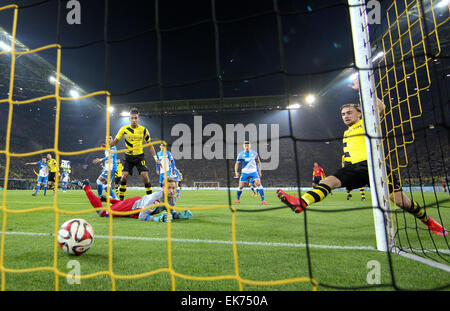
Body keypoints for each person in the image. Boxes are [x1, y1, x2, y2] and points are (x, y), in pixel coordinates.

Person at [277, 78, 447, 236]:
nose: (345, 116)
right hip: (355, 168)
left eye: (349, 113)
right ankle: (301, 202)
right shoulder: (346, 132)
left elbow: (381, 108)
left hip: (374, 166)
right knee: (327, 181)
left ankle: (431, 223)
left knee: (402, 202)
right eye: (343, 114)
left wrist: (363, 90)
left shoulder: (366, 123)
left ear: (359, 114)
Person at [80, 177, 192, 222]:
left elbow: (171, 212)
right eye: (169, 188)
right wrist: (158, 219)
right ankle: (86, 187)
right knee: (102, 213)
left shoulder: (172, 198)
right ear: (163, 188)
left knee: (120, 206)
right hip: (133, 206)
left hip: (139, 202)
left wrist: (180, 215)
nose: (172, 191)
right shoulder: (157, 198)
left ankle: (107, 199)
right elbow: (142, 216)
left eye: (174, 188)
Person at [108, 108, 161, 200]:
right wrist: (107, 145)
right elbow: (115, 142)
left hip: (140, 157)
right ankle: (121, 200)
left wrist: (156, 159)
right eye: (132, 118)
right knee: (124, 176)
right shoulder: (124, 129)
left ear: (138, 118)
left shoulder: (144, 130)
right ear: (129, 119)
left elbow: (150, 145)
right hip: (128, 157)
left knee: (145, 176)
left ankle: (150, 199)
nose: (134, 120)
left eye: (136, 118)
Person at [234, 141, 266, 205]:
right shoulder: (241, 154)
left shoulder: (254, 153)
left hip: (253, 172)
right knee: (241, 186)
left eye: (247, 146)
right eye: (245, 146)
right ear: (243, 146)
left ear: (250, 146)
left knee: (258, 183)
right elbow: (237, 163)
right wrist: (236, 172)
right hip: (245, 172)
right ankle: (238, 199)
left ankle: (263, 200)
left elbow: (258, 162)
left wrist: (259, 171)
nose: (246, 147)